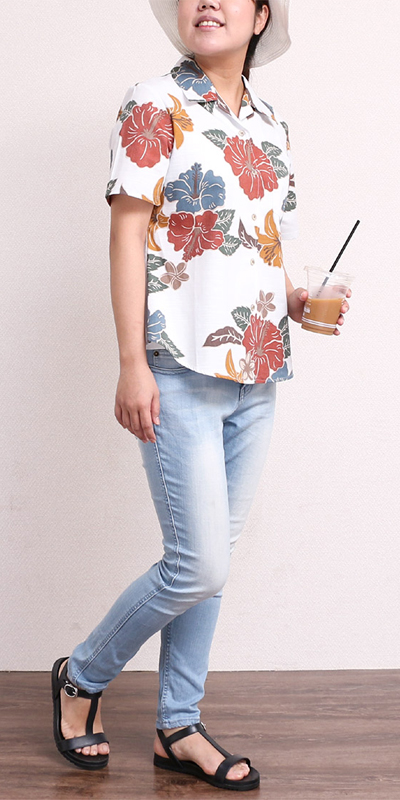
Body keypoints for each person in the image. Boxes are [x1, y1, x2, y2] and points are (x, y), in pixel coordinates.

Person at [51, 0, 351, 791]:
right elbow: (126, 232)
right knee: (198, 564)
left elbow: (263, 245)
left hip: (259, 369)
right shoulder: (154, 100)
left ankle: (177, 726)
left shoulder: (273, 125)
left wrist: (297, 298)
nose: (205, 1)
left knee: (212, 566)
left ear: (261, 16)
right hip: (177, 365)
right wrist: (131, 362)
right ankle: (82, 676)